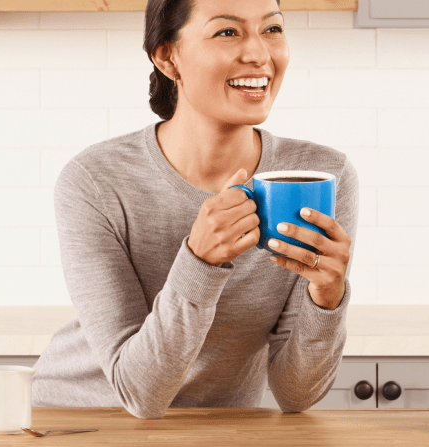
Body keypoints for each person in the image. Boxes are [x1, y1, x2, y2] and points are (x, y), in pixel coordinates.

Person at [31, 0, 359, 420]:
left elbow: (296, 395)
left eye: (272, 29)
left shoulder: (322, 179)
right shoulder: (96, 181)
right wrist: (200, 263)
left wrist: (327, 298)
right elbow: (139, 392)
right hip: (77, 421)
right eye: (228, 32)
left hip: (217, 427)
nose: (259, 54)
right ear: (168, 57)